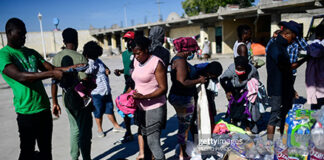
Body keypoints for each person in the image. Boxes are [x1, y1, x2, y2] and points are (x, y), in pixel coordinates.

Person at [0, 18, 64, 160]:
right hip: (26, 112)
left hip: (43, 109)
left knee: (46, 151)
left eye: (25, 34)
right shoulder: (4, 54)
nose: (24, 37)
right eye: (20, 33)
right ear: (9, 33)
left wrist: (73, 68)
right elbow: (21, 77)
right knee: (27, 152)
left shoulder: (31, 52)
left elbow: (52, 68)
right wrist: (52, 74)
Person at [51, 28, 93, 160]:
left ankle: (74, 157)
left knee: (74, 129)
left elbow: (53, 82)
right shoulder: (80, 57)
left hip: (66, 99)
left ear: (63, 40)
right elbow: (85, 79)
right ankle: (86, 157)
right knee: (84, 131)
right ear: (76, 40)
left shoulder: (56, 58)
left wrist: (55, 102)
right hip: (81, 101)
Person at [266, 21, 308, 141]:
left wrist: (292, 88)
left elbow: (286, 72)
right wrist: (305, 59)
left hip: (284, 87)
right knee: (274, 116)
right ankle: (269, 144)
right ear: (286, 35)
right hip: (276, 88)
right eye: (292, 39)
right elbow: (288, 67)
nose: (293, 41)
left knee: (285, 113)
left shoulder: (282, 47)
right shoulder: (275, 47)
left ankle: (283, 141)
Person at [168, 37, 206, 160]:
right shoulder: (180, 61)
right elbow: (183, 81)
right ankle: (182, 154)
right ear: (186, 50)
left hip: (177, 96)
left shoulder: (177, 59)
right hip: (183, 98)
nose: (192, 53)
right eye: (191, 50)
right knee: (184, 127)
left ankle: (182, 151)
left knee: (183, 126)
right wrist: (199, 80)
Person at [131, 36, 168, 160]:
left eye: (138, 53)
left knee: (153, 142)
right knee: (145, 140)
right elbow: (137, 82)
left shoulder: (156, 63)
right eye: (134, 54)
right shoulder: (137, 61)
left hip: (155, 107)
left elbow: (163, 89)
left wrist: (144, 97)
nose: (136, 56)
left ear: (146, 50)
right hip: (140, 107)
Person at [81, 41, 126, 137]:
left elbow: (106, 68)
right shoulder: (88, 63)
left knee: (109, 109)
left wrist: (107, 71)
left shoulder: (99, 60)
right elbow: (85, 75)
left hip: (106, 90)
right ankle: (99, 129)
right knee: (98, 111)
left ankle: (116, 126)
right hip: (96, 92)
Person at [220, 56, 259, 133]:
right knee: (234, 107)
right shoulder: (231, 70)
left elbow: (256, 80)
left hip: (246, 89)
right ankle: (234, 124)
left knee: (248, 108)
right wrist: (227, 91)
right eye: (238, 69)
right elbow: (222, 79)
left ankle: (248, 126)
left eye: (242, 69)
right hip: (234, 89)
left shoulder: (252, 70)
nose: (239, 71)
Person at [114, 31, 136, 146]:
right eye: (126, 40)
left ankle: (143, 132)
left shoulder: (139, 52)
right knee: (124, 107)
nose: (128, 42)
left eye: (130, 40)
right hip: (127, 83)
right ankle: (128, 132)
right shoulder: (124, 54)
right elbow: (127, 68)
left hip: (138, 83)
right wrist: (120, 71)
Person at [285, 22, 308, 99]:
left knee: (288, 91)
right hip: (281, 70)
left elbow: (307, 49)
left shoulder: (298, 40)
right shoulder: (281, 37)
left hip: (292, 71)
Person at [306, 24, 324, 110]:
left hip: (313, 78)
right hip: (319, 77)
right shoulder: (317, 45)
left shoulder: (310, 45)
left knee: (315, 102)